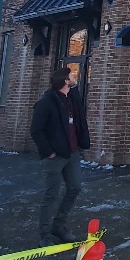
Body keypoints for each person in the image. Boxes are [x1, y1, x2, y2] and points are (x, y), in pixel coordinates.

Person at [31, 67, 91, 246]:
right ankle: (44, 234)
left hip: (72, 153)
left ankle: (58, 225)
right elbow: (36, 130)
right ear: (65, 80)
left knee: (75, 187)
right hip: (54, 157)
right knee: (51, 194)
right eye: (72, 76)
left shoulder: (71, 99)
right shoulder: (46, 102)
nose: (74, 78)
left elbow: (79, 119)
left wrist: (82, 142)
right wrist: (49, 151)